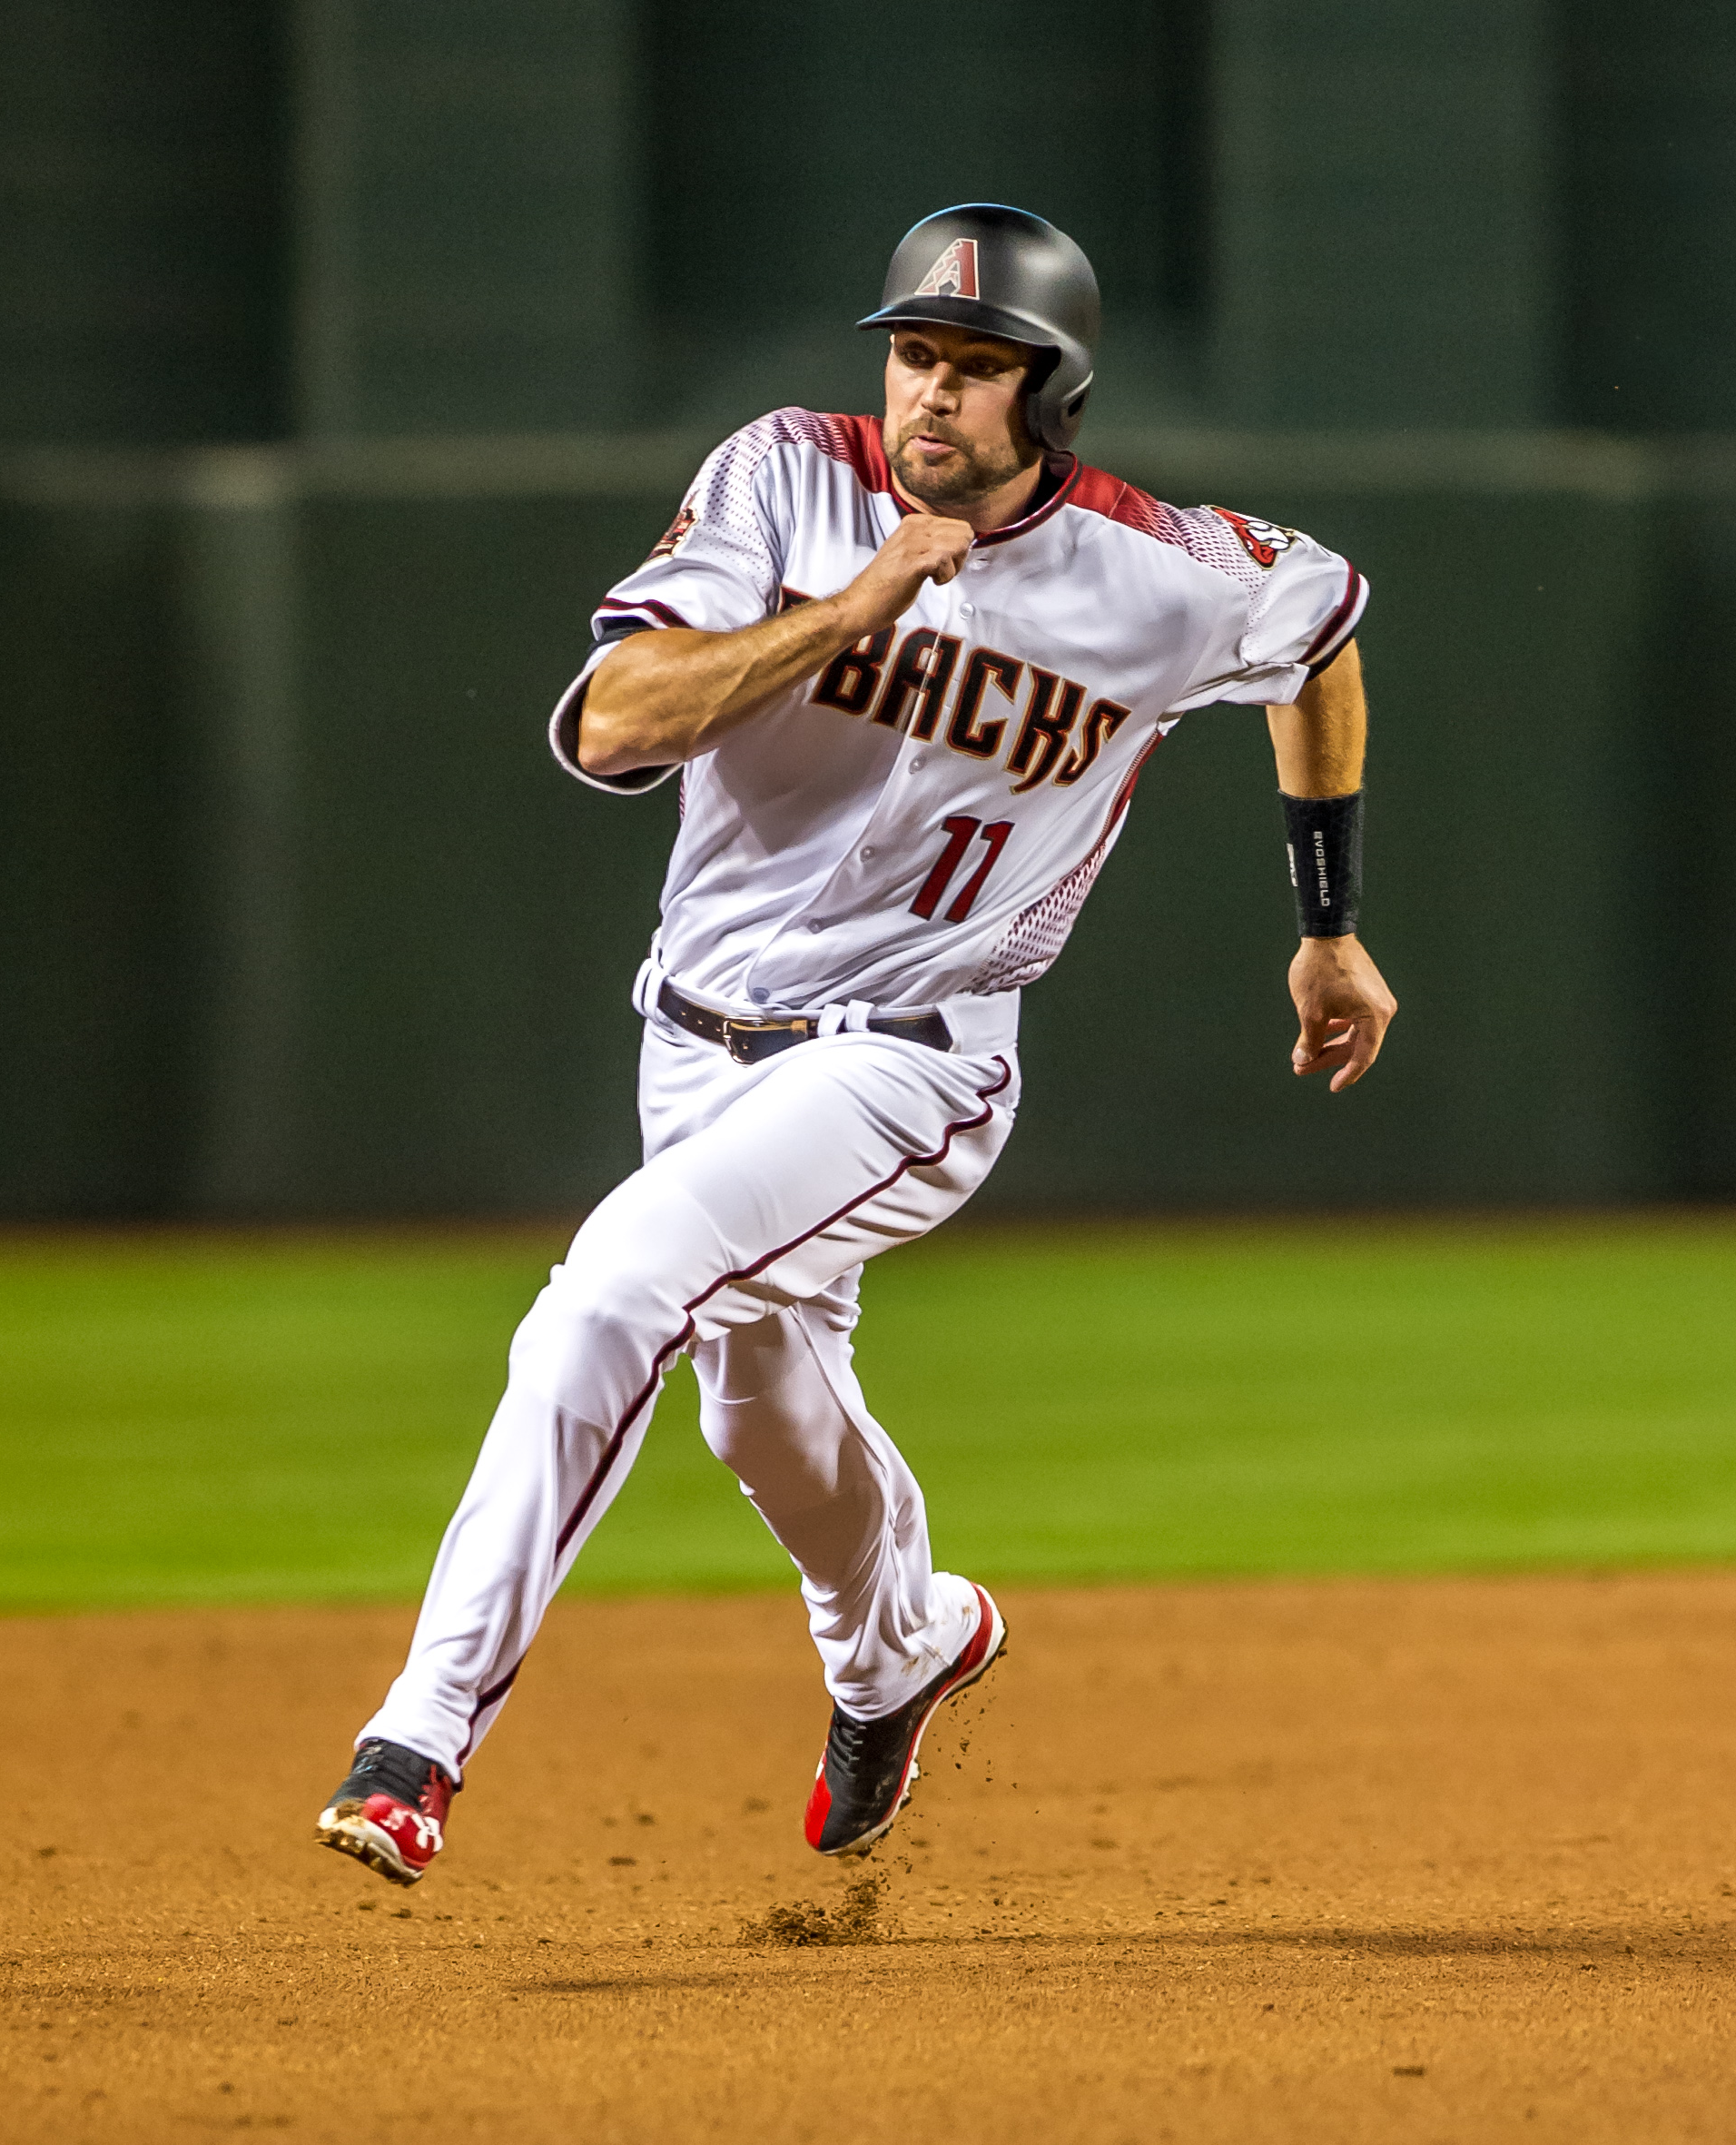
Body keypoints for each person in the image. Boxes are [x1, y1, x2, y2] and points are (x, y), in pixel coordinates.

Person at [315, 203, 1396, 1887]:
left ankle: (417, 1740)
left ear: (1055, 396)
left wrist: (1328, 920)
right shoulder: (786, 478)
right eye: (914, 354)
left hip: (914, 1057)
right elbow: (613, 722)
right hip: (693, 1040)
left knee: (613, 1289)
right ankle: (908, 1639)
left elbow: (1318, 641)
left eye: (980, 365)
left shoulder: (1166, 574)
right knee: (764, 1416)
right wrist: (855, 604)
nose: (933, 393)